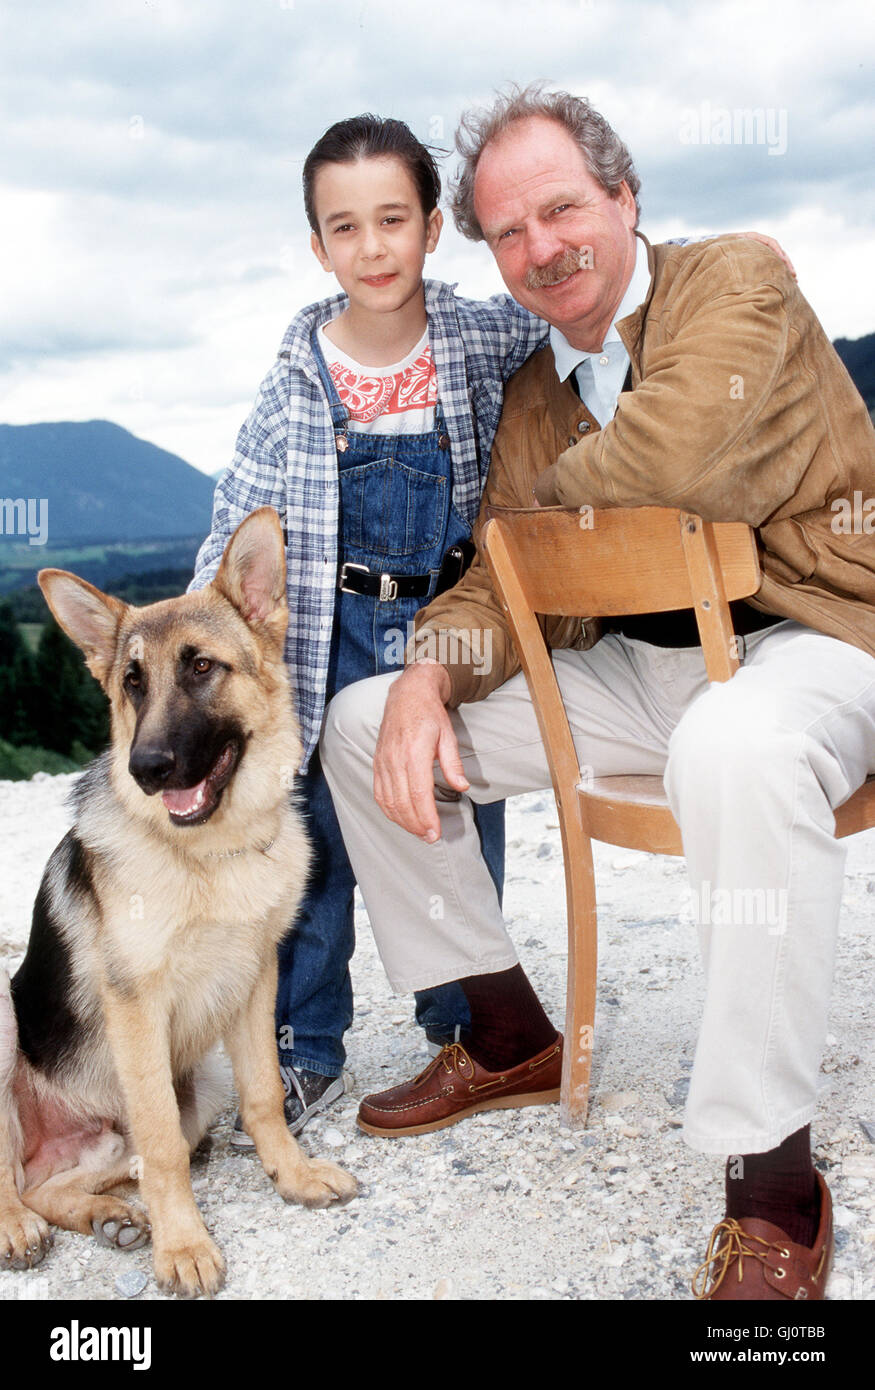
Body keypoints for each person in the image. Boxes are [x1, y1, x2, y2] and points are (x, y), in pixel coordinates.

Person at [320, 85, 875, 1300]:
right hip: (647, 667)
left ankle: (771, 1176)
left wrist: (524, 524)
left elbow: (675, 456)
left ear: (624, 198)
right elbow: (486, 583)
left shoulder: (736, 280)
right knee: (365, 723)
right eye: (507, 232)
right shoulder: (529, 391)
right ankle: (508, 1031)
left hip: (817, 638)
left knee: (736, 743)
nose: (540, 249)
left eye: (563, 207)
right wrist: (426, 667)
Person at [190, 114, 548, 1142]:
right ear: (317, 246)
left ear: (433, 227)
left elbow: (585, 316)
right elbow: (234, 519)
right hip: (327, 626)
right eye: (344, 228)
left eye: (393, 219)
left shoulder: (482, 334)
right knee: (316, 839)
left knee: (449, 812)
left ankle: (464, 1025)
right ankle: (306, 1045)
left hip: (449, 616)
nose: (372, 247)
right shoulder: (298, 375)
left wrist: (697, 269)